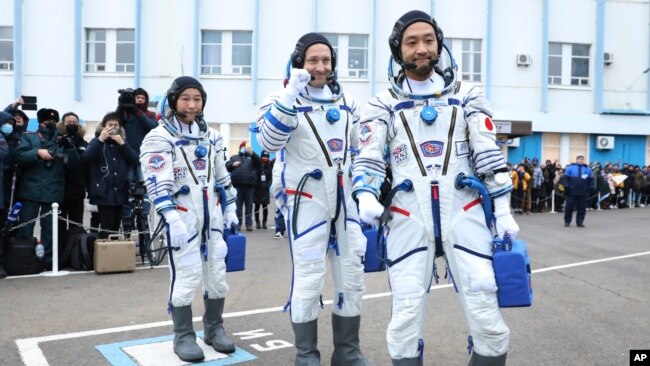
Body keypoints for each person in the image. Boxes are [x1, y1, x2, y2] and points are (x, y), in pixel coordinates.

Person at [352, 10, 518, 365]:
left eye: (429, 40)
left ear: (439, 45)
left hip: (465, 211)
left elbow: (488, 153)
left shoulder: (468, 96)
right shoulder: (382, 105)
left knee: (488, 316)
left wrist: (502, 211)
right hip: (408, 216)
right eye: (412, 42)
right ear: (399, 51)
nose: (422, 49)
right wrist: (365, 193)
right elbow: (368, 154)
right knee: (404, 321)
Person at [256, 32, 371, 366]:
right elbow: (269, 142)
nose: (320, 67)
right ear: (298, 63)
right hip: (307, 200)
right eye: (312, 60)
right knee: (308, 277)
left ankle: (347, 351)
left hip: (345, 201)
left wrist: (366, 190)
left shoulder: (348, 102)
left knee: (352, 275)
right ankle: (307, 353)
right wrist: (291, 93)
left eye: (326, 60)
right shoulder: (281, 98)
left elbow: (363, 148)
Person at [140, 76, 239, 363]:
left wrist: (231, 207)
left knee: (218, 274)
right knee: (186, 275)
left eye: (197, 99)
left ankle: (214, 328)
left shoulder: (213, 136)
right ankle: (183, 334)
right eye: (186, 98)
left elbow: (222, 175)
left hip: (213, 215)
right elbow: (157, 182)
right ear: (173, 101)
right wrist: (170, 218)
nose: (192, 104)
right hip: (182, 215)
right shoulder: (159, 138)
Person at [14, 108, 81, 269]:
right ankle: (24, 261)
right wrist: (37, 152)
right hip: (31, 190)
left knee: (50, 231)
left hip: (53, 190)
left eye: (53, 121)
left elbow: (75, 165)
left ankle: (49, 262)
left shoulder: (62, 140)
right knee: (25, 227)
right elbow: (19, 157)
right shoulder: (29, 137)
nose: (50, 124)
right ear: (40, 122)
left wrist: (70, 148)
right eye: (47, 121)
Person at [83, 112, 139, 238]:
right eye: (109, 125)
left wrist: (123, 144)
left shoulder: (122, 143)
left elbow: (135, 159)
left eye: (116, 125)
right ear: (103, 126)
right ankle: (104, 253)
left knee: (115, 226)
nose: (113, 127)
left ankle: (113, 253)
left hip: (120, 191)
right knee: (106, 226)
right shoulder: (97, 142)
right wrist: (100, 139)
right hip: (103, 192)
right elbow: (86, 157)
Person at [116, 87, 158, 234]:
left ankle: (144, 216)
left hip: (144, 158)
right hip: (126, 156)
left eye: (142, 98)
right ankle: (127, 218)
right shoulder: (125, 114)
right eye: (137, 97)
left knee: (145, 187)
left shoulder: (150, 115)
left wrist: (137, 111)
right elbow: (115, 122)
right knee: (127, 187)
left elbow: (153, 127)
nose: (139, 100)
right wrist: (122, 105)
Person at [57, 112, 88, 239]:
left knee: (76, 223)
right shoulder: (57, 142)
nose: (71, 124)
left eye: (74, 122)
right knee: (59, 224)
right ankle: (60, 252)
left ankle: (75, 253)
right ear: (62, 124)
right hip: (60, 190)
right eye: (68, 122)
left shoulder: (83, 143)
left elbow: (84, 163)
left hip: (77, 190)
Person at [226, 141, 260, 231]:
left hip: (249, 186)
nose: (244, 149)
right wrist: (233, 164)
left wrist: (252, 153)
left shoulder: (252, 158)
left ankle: (249, 224)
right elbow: (227, 166)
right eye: (243, 147)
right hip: (237, 186)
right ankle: (238, 224)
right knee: (238, 206)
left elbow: (259, 162)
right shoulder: (234, 157)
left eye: (246, 148)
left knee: (249, 206)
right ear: (240, 148)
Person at [561, 155, 594, 227]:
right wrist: (566, 185)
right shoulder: (570, 168)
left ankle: (580, 222)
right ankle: (567, 221)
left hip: (583, 192)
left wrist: (592, 187)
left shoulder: (588, 169)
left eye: (582, 159)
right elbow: (565, 178)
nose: (581, 160)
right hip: (571, 191)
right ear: (576, 160)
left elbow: (591, 179)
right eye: (579, 159)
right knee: (569, 207)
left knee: (582, 208)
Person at [254, 150, 272, 229]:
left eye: (266, 157)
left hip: (265, 190)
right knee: (257, 207)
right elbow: (255, 176)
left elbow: (271, 178)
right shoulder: (258, 165)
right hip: (257, 189)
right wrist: (256, 184)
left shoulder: (269, 166)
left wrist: (267, 185)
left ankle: (264, 222)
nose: (265, 158)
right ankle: (257, 222)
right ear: (261, 157)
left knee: (265, 207)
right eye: (263, 157)